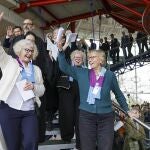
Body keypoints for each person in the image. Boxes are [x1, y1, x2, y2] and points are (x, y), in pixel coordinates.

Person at [57, 37, 130, 150]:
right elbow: (63, 67)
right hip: (86, 116)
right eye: (89, 58)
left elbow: (119, 94)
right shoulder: (81, 72)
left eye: (93, 57)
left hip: (106, 117)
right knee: (87, 147)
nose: (90, 60)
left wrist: (127, 110)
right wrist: (61, 52)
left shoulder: (110, 75)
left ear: (101, 60)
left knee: (106, 147)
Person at [0, 13, 45, 149]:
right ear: (19, 50)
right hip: (9, 110)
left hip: (29, 111)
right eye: (26, 50)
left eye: (32, 51)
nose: (29, 53)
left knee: (30, 142)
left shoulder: (36, 69)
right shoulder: (9, 62)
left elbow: (42, 89)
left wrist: (34, 87)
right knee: (12, 145)